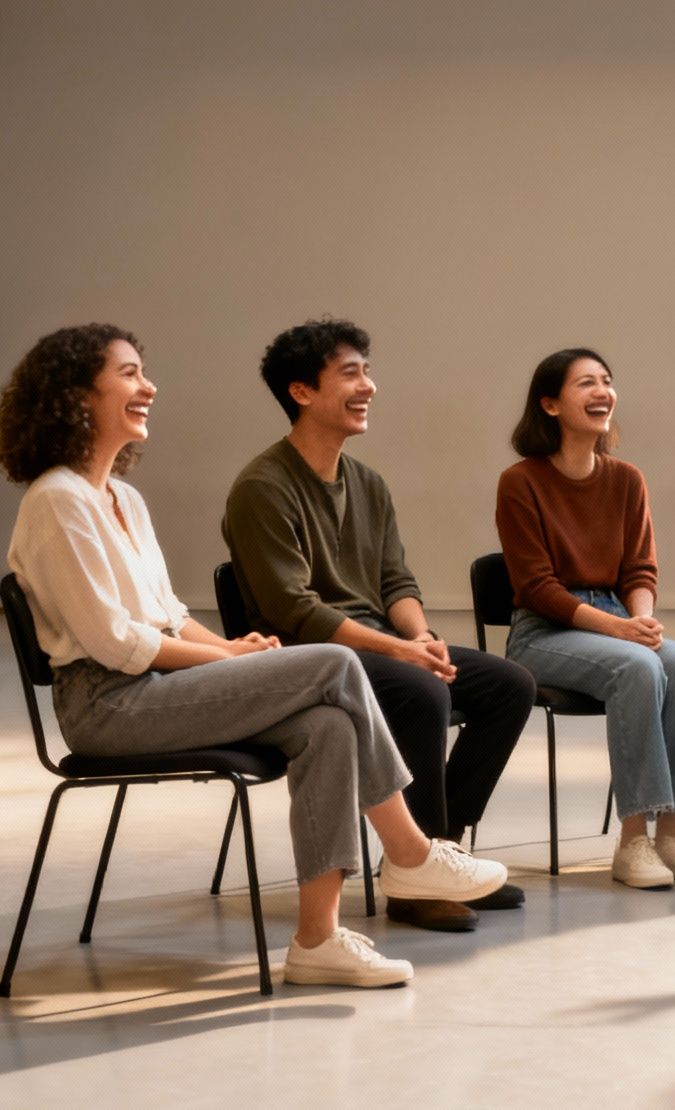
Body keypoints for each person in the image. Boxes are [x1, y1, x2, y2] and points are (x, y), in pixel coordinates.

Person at [0, 323, 507, 989]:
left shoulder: (121, 498)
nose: (148, 386)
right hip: (108, 704)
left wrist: (228, 646)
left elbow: (167, 612)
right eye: (128, 374)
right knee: (334, 664)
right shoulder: (58, 501)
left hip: (150, 689)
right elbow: (118, 644)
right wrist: (231, 665)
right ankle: (411, 852)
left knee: (325, 726)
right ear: (74, 395)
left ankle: (317, 940)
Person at [224, 318, 537, 933]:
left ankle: (437, 850)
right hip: (307, 658)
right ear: (301, 391)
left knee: (510, 685)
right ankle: (415, 883)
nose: (368, 384)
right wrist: (401, 652)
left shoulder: (367, 483)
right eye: (350, 373)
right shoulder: (261, 487)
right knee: (421, 689)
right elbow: (297, 611)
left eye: (368, 371)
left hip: (375, 642)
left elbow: (396, 580)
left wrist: (418, 636)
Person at [493, 348, 675, 890]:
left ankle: (671, 833)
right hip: (544, 632)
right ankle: (633, 840)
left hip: (618, 619)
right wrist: (622, 634)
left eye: (607, 381)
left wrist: (640, 622)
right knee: (636, 669)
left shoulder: (626, 480)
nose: (602, 392)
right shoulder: (519, 482)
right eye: (586, 384)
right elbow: (536, 587)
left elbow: (640, 569)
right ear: (550, 404)